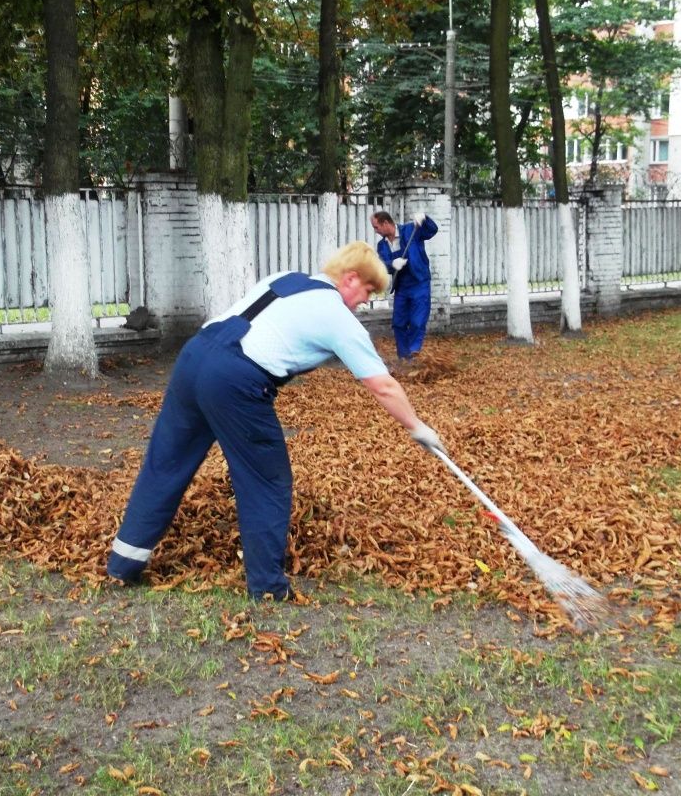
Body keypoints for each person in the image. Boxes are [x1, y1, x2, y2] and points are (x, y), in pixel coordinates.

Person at [106, 241, 446, 600]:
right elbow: (384, 386)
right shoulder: (336, 316)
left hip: (195, 356)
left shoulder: (286, 279)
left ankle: (123, 565)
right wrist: (417, 427)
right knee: (266, 480)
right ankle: (267, 587)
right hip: (234, 378)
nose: (365, 302)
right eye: (367, 291)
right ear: (349, 279)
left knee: (166, 462)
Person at [370, 210, 439, 365]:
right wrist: (392, 264)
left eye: (376, 227)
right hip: (402, 287)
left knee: (417, 320)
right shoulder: (382, 245)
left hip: (419, 283)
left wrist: (425, 218)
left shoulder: (411, 230)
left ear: (386, 223)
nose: (376, 231)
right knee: (399, 323)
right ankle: (403, 357)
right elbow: (383, 265)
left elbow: (432, 230)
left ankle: (413, 352)